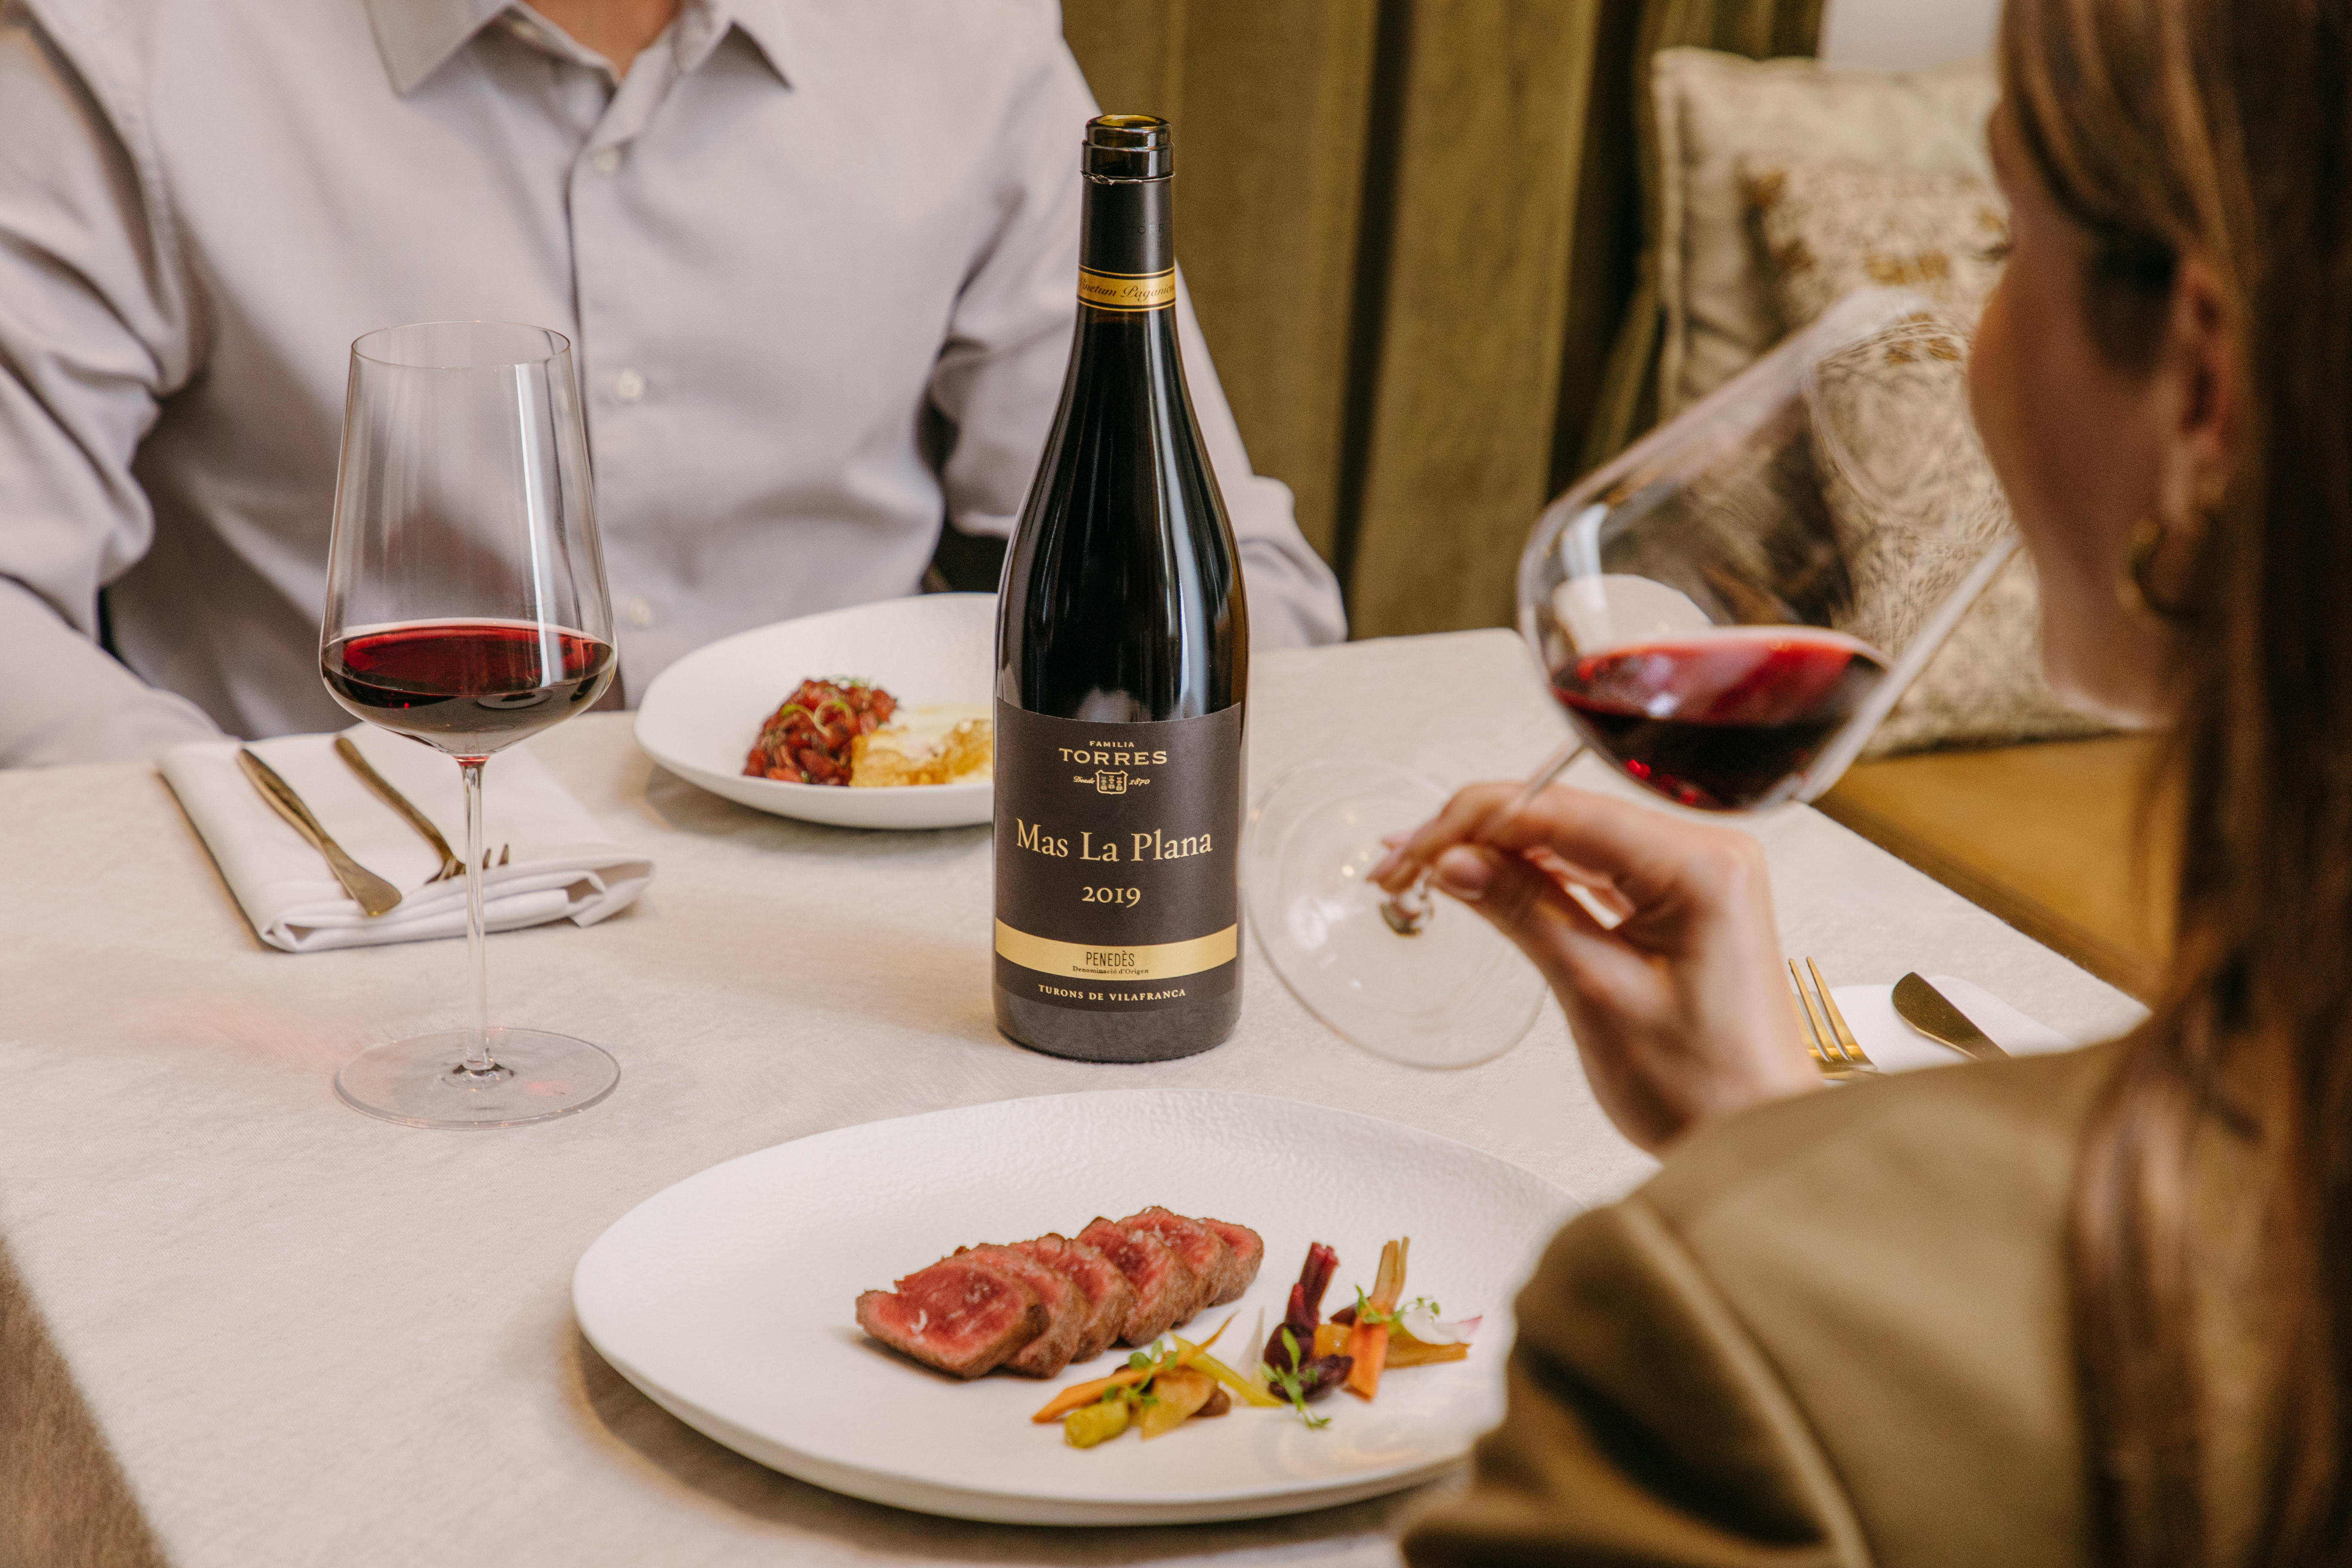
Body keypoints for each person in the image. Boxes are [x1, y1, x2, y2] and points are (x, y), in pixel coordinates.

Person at [1381, 0, 2346, 1560]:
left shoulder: (1718, 1342)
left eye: (2001, 241)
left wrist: (1781, 1247)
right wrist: (1770, 1135)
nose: (1969, 341)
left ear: (2204, 394)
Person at [0, 0, 1345, 767]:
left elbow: (1222, 576)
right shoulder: (130, 48)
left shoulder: (961, 36)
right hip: (349, 944)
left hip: (861, 923)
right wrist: (268, 824)